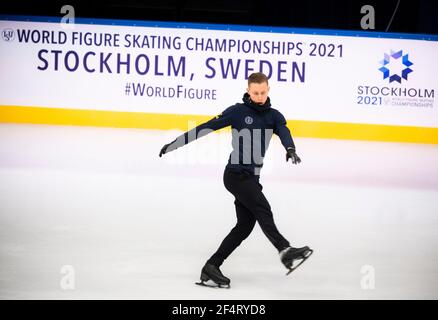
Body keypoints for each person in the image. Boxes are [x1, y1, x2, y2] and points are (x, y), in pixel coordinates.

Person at [159, 72, 313, 288]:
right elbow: (206, 127)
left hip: (251, 177)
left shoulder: (274, 116)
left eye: (262, 92)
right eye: (255, 92)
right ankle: (285, 250)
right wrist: (175, 144)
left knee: (244, 226)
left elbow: (284, 131)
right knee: (262, 208)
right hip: (235, 175)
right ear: (248, 91)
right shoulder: (237, 112)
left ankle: (211, 267)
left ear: (268, 90)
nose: (259, 96)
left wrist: (290, 149)